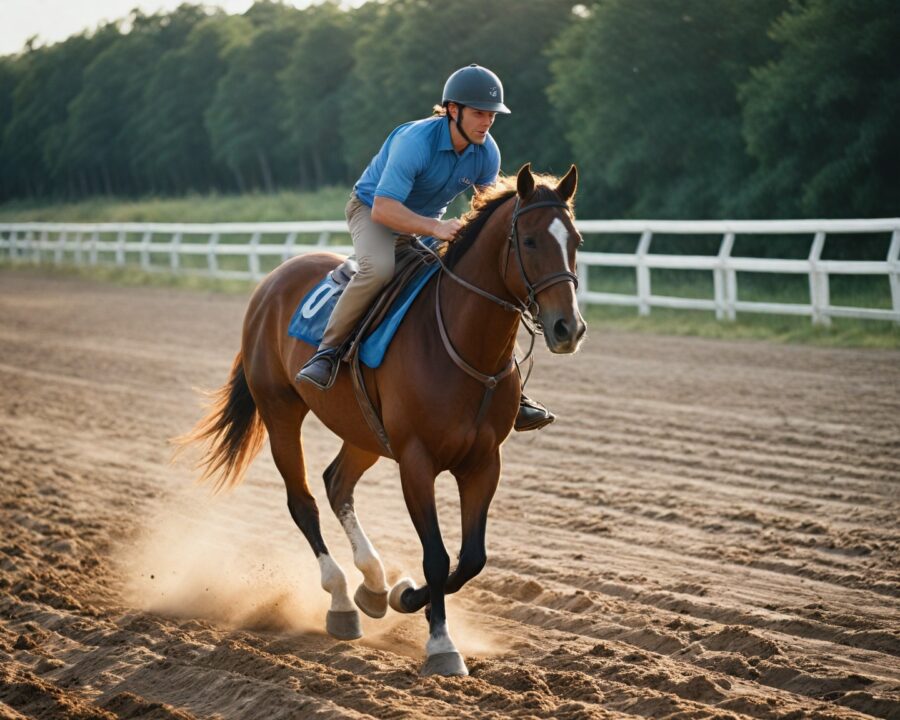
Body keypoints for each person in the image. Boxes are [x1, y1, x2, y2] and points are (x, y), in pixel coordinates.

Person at [296, 63, 555, 432]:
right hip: (372, 211)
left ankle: (511, 387)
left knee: (474, 284)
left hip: (424, 224)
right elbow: (386, 209)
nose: (486, 122)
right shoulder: (415, 141)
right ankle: (327, 354)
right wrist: (435, 227)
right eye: (479, 113)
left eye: (492, 115)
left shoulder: (487, 153)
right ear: (453, 110)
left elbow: (485, 213)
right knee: (379, 269)